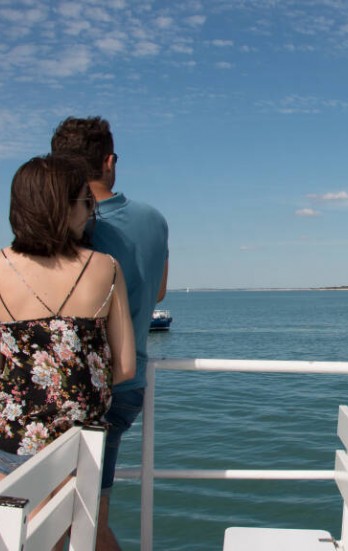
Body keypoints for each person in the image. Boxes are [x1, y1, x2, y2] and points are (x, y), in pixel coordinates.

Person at [51, 116, 169, 551]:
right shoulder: (154, 220)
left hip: (70, 390)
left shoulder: (64, 223)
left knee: (62, 522)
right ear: (109, 160)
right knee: (89, 520)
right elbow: (156, 291)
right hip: (128, 384)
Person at [0, 155, 135, 475]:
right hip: (81, 446)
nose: (91, 210)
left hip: (10, 444)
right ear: (68, 207)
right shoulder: (106, 268)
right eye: (87, 202)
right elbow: (126, 367)